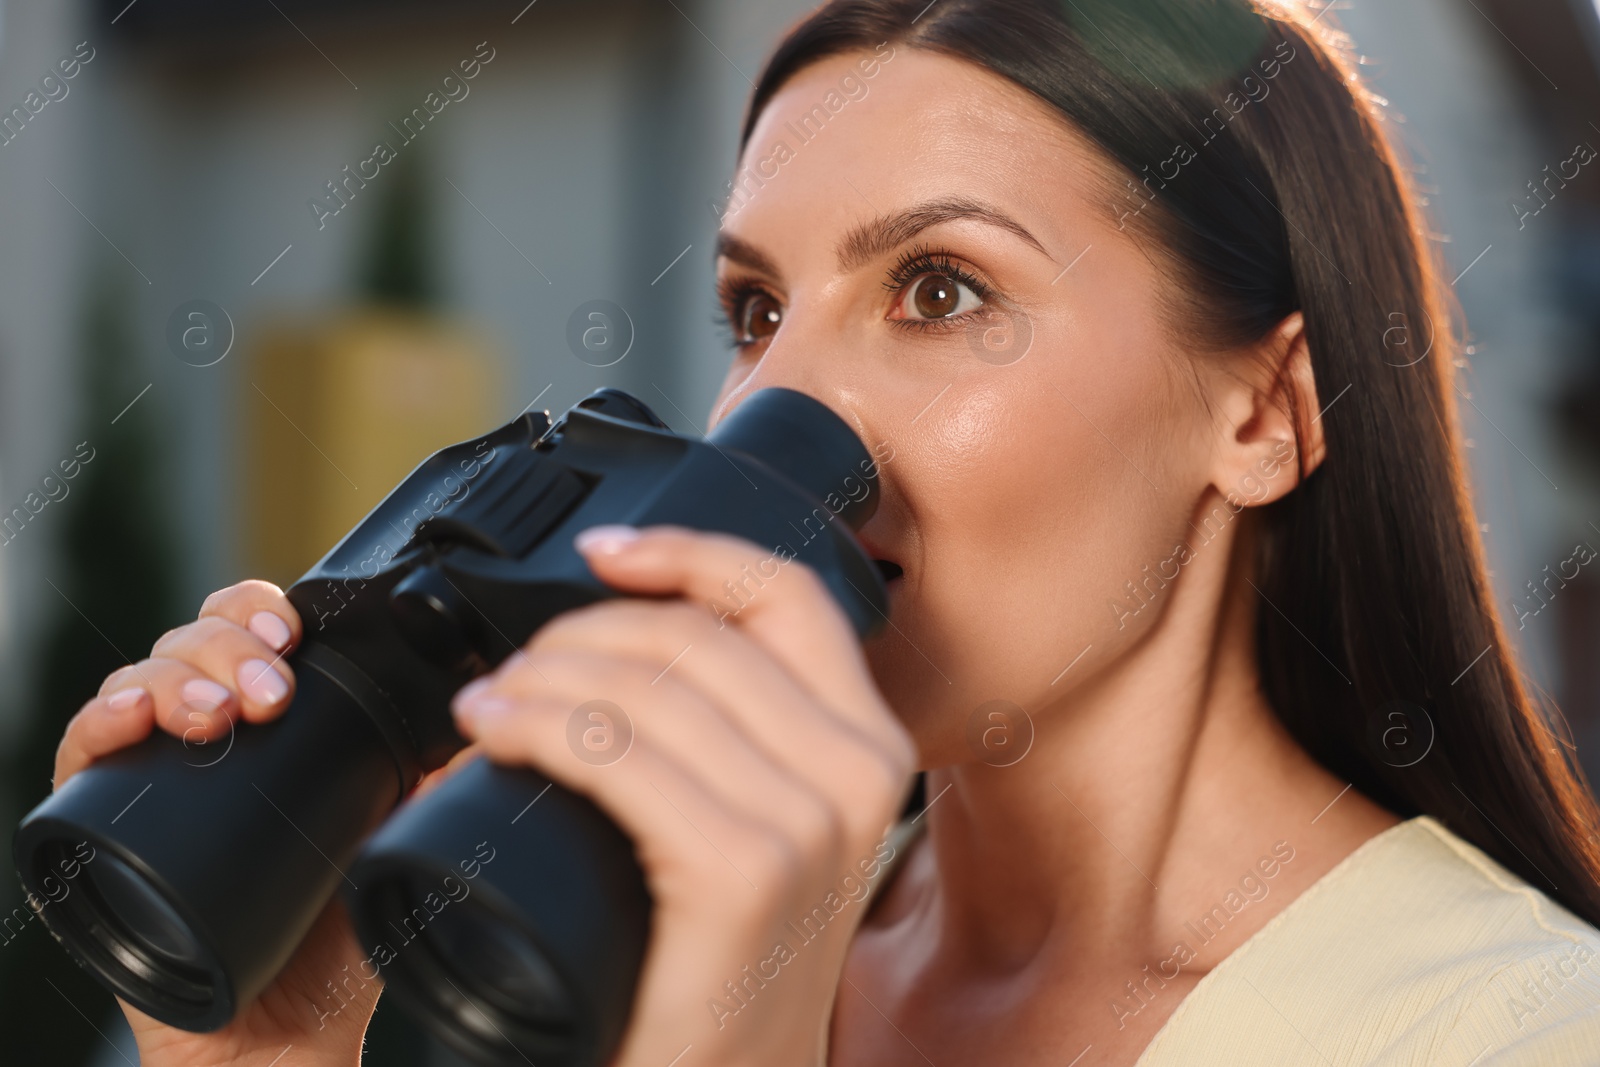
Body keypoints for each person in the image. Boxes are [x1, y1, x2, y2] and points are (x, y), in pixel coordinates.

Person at [52, 1, 1600, 1063]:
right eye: (755, 312)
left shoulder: (1512, 1030)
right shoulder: (621, 905)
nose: (785, 415)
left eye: (941, 290)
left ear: (1267, 413)